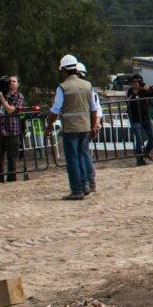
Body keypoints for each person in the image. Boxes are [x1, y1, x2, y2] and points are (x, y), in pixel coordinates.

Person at [51, 54, 102, 200]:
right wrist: (93, 126)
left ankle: (77, 190)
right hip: (85, 128)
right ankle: (86, 185)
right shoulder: (88, 85)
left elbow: (55, 109)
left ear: (64, 70)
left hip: (71, 129)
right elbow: (93, 108)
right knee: (82, 156)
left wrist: (49, 125)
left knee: (72, 159)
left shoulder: (63, 87)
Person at [0, 76, 26, 183]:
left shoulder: (19, 96)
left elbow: (10, 110)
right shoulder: (2, 94)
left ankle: (11, 180)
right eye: (10, 81)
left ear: (18, 84)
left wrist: (2, 99)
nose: (12, 83)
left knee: (12, 158)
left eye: (14, 81)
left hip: (12, 130)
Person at [127, 79, 153, 166]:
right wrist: (135, 92)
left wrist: (148, 88)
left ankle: (146, 152)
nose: (135, 84)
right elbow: (128, 100)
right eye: (133, 82)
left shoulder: (144, 90)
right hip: (135, 119)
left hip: (146, 118)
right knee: (139, 139)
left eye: (137, 82)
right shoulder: (131, 91)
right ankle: (140, 159)